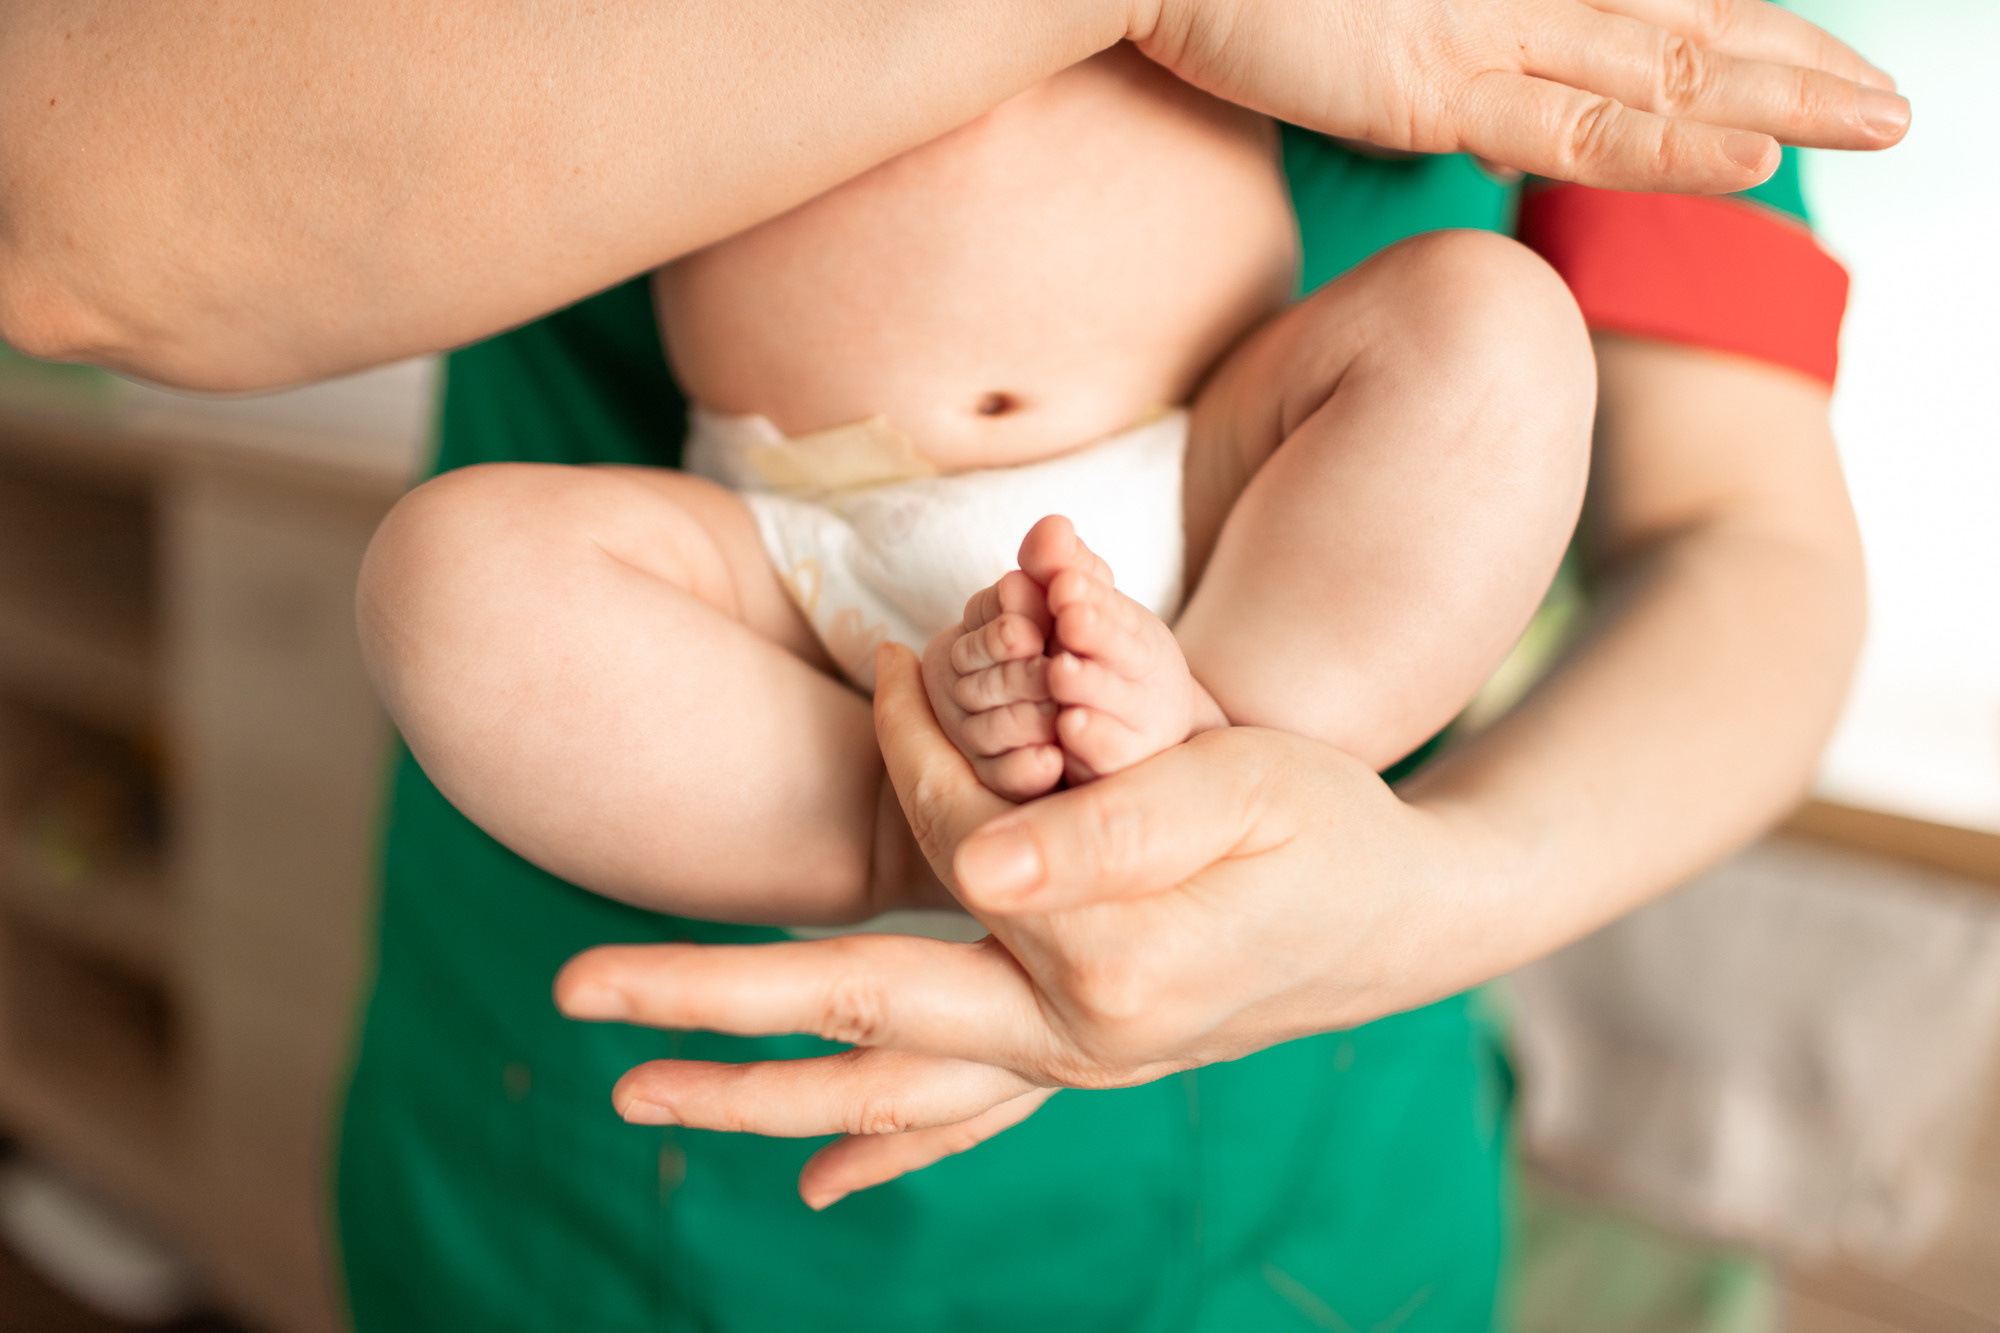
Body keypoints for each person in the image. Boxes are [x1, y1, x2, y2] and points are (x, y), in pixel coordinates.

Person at [0, 1, 1902, 1328]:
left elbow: (1750, 548)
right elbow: (66, 220)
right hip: (703, 792)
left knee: (1492, 333)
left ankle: (1182, 781)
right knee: (448, 585)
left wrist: (1435, 889)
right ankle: (950, 831)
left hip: (1273, 1153)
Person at [353, 44, 1592, 928]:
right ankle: (896, 828)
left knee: (1493, 322)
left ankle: (1225, 745)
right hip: (786, 547)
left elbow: (1422, 65)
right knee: (443, 576)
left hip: (1212, 479)